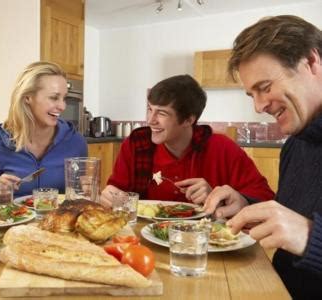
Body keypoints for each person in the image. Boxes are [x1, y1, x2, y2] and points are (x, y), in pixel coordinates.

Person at [202, 15, 322, 298]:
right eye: (251, 95)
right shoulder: (296, 144)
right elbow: (293, 216)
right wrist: (247, 206)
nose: (258, 106)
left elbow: (302, 229)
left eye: (265, 87)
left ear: (311, 62)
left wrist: (310, 236)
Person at [100, 74, 274, 207]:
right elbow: (116, 191)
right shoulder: (136, 144)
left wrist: (217, 197)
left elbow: (265, 198)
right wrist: (111, 196)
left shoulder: (222, 148)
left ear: (188, 120)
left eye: (162, 113)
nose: (150, 120)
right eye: (149, 109)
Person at [0, 61, 87, 197]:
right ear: (27, 98)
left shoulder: (76, 142)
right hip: (14, 218)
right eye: (54, 98)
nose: (62, 106)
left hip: (59, 218)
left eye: (64, 98)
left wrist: (88, 191)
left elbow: (79, 197)